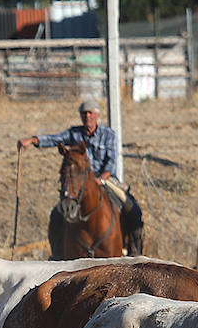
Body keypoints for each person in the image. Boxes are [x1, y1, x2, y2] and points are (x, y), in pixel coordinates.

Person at [18, 100, 145, 256]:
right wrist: (33, 140)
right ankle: (58, 255)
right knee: (57, 214)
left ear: (97, 115)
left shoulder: (108, 135)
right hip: (79, 182)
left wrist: (102, 179)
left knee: (132, 208)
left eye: (90, 113)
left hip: (106, 180)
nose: (87, 116)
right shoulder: (75, 133)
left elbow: (111, 162)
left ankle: (135, 253)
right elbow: (55, 139)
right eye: (84, 113)